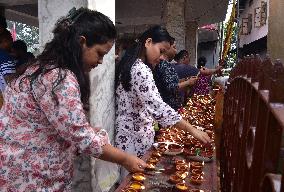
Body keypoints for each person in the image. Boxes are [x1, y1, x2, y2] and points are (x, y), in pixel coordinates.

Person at [0, 8, 146, 192]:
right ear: (82, 42)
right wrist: (125, 159)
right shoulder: (58, 77)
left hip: (18, 169)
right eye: (100, 53)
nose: (101, 61)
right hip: (31, 178)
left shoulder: (43, 68)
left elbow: (59, 124)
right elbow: (81, 137)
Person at [115, 25, 211, 178]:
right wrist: (191, 129)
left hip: (129, 135)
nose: (161, 58)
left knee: (131, 180)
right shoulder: (140, 69)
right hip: (134, 138)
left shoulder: (131, 65)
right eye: (161, 51)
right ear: (148, 42)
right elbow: (158, 107)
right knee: (134, 182)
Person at [153, 38, 197, 111]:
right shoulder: (163, 64)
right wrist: (188, 82)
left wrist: (185, 80)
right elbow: (171, 87)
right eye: (174, 47)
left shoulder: (166, 64)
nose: (176, 51)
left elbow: (169, 82)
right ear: (166, 48)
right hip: (167, 110)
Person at [0, 29, 16, 95]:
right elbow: (10, 78)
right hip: (4, 95)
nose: (12, 42)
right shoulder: (4, 55)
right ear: (4, 41)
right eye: (10, 38)